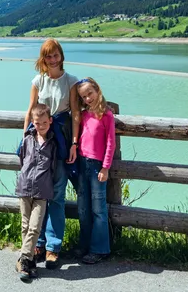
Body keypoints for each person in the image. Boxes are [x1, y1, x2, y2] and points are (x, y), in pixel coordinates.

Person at [23, 38, 80, 269]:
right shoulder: (38, 81)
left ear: (61, 56)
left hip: (62, 142)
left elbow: (76, 113)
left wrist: (74, 143)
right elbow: (30, 111)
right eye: (48, 56)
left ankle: (53, 248)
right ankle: (38, 243)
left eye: (55, 55)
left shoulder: (71, 81)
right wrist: (25, 141)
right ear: (43, 59)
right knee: (40, 193)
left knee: (56, 194)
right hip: (39, 143)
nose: (52, 59)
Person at [74, 77, 116, 264]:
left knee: (99, 209)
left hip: (97, 166)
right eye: (83, 96)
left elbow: (110, 142)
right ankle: (84, 245)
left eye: (90, 93)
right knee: (83, 208)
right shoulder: (83, 115)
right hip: (83, 163)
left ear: (97, 90)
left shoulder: (106, 114)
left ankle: (100, 249)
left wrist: (106, 167)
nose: (88, 99)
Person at [15, 104, 56, 282]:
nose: (41, 126)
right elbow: (22, 159)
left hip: (43, 190)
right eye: (37, 123)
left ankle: (23, 259)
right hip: (24, 187)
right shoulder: (26, 140)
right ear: (32, 122)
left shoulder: (53, 144)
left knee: (35, 227)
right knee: (25, 225)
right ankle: (29, 261)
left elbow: (53, 167)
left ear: (50, 122)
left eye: (44, 123)